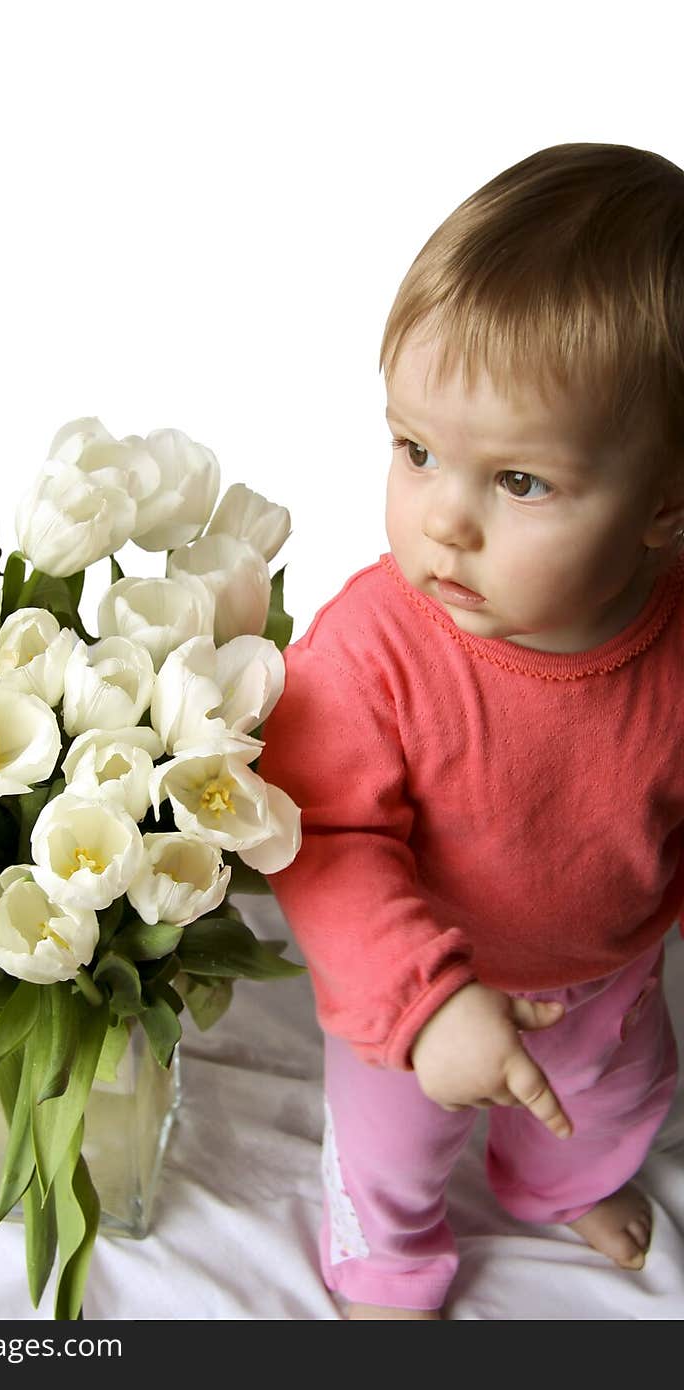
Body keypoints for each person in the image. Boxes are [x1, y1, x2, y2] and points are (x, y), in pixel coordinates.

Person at [258, 142, 684, 1320]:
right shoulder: (368, 651)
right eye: (417, 450)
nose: (443, 519)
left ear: (665, 501)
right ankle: (387, 1257)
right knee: (393, 1144)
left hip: (607, 969)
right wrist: (424, 1004)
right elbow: (324, 833)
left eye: (522, 482)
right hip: (420, 981)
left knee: (603, 1103)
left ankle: (558, 1185)